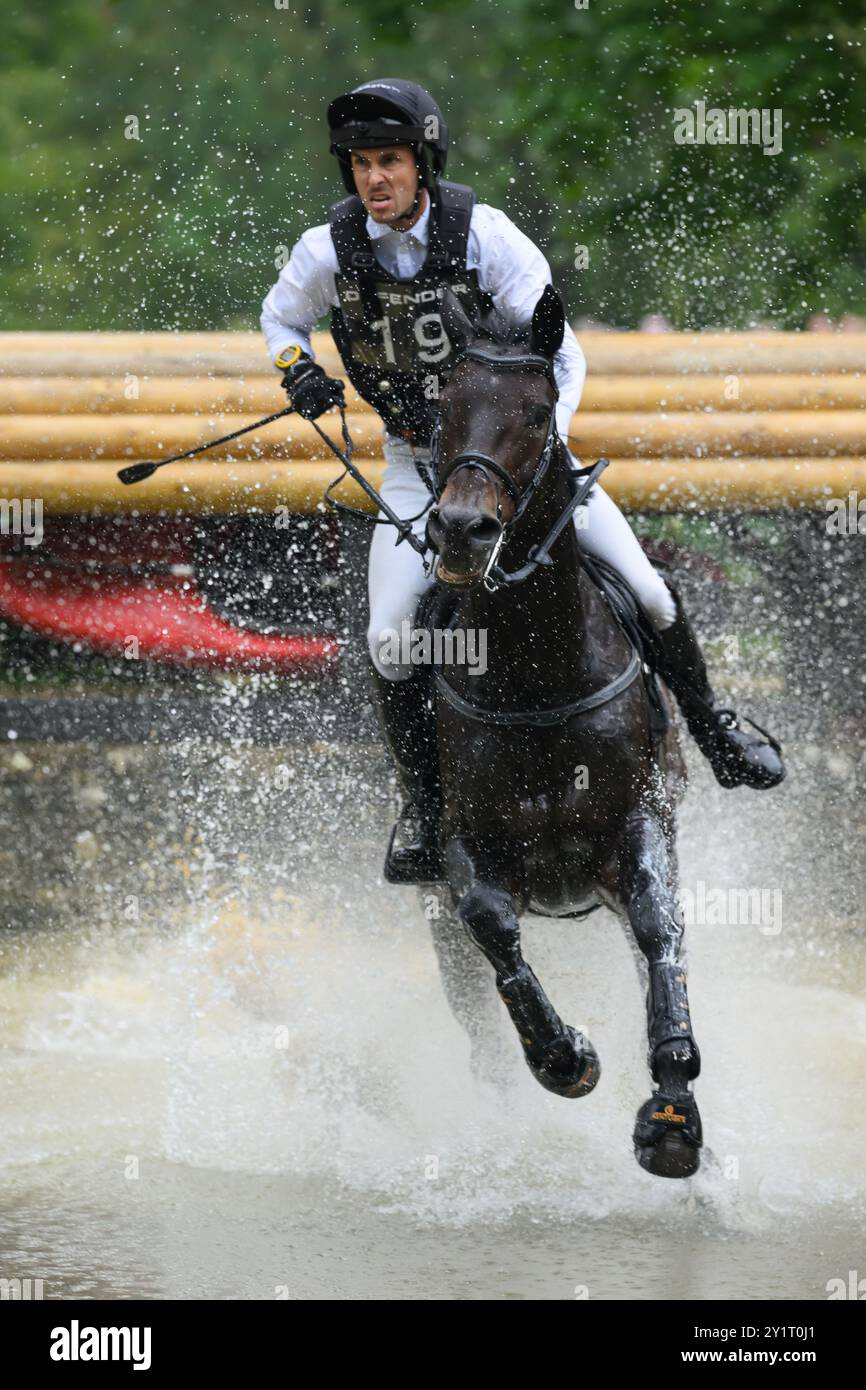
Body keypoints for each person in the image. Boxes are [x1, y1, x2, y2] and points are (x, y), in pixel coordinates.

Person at [260, 78, 784, 882]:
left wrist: (538, 456)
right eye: (362, 164)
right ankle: (427, 809)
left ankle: (715, 732)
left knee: (647, 591)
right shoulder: (329, 251)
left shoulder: (486, 237)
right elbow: (280, 317)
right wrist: (298, 369)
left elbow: (563, 350)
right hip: (417, 469)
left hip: (525, 471)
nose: (375, 179)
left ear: (422, 162)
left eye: (390, 161)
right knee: (393, 640)